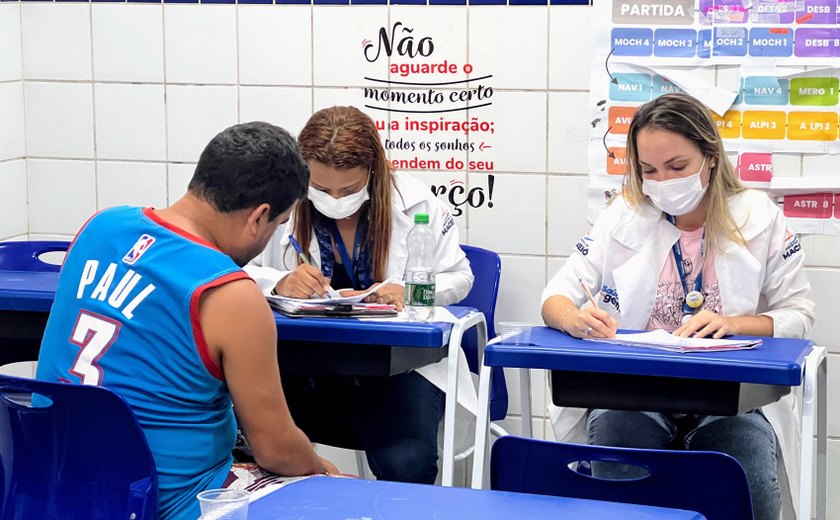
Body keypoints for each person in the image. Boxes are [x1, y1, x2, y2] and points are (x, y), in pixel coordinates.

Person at [36, 122, 337, 520]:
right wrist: (323, 469)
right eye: (277, 225)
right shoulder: (229, 293)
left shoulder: (100, 227)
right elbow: (276, 449)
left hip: (51, 485)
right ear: (259, 216)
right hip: (162, 502)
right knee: (337, 492)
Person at [541, 93, 815, 520]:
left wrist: (732, 323)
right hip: (637, 392)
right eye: (648, 170)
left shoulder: (757, 216)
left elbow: (798, 313)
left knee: (747, 475)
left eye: (677, 167)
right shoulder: (623, 216)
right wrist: (573, 318)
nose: (663, 181)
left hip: (733, 395)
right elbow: (555, 296)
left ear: (709, 156)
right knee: (618, 449)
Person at [247, 105, 475, 484]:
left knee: (407, 465)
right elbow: (234, 273)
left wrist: (409, 289)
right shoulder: (283, 202)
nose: (335, 199)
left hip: (397, 365)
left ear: (374, 171)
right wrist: (278, 281)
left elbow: (461, 275)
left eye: (349, 189)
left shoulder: (417, 204)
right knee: (248, 433)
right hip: (306, 362)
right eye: (320, 189)